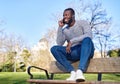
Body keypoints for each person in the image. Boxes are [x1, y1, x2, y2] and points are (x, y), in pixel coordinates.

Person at [50, 8, 94, 82]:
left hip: (85, 50)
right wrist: (60, 28)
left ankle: (80, 71)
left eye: (67, 15)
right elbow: (59, 43)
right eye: (64, 15)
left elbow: (89, 35)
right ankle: (72, 72)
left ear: (73, 16)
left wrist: (71, 41)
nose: (65, 17)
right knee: (54, 49)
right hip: (73, 52)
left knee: (87, 39)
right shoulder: (65, 30)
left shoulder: (82, 23)